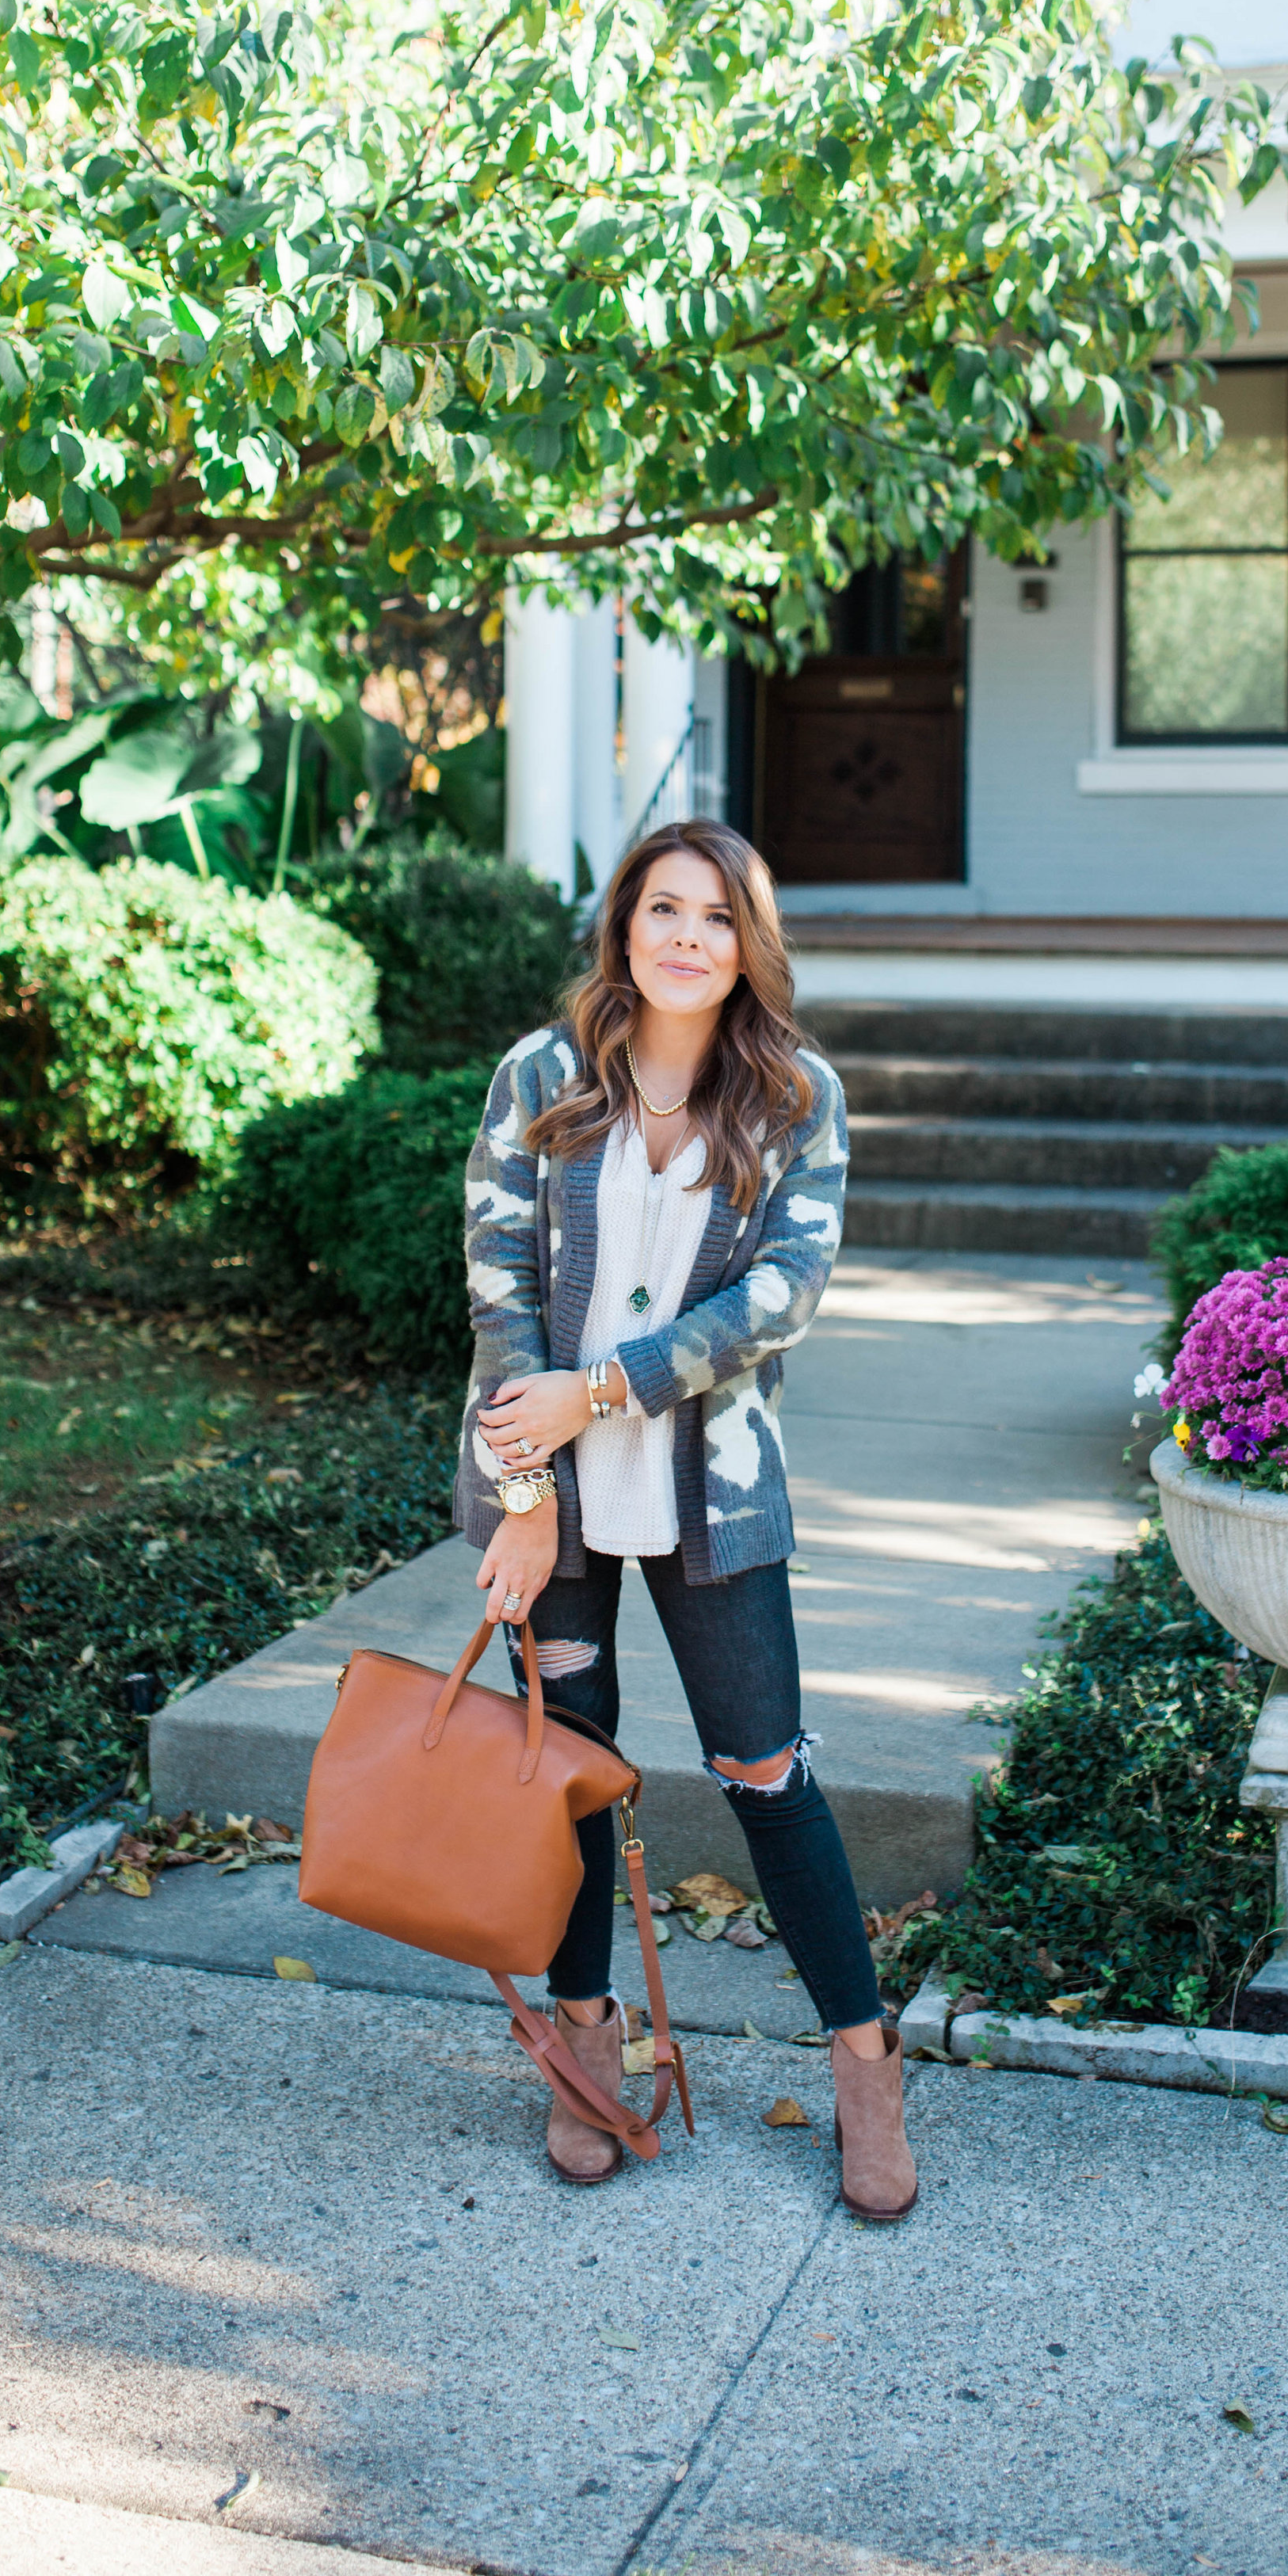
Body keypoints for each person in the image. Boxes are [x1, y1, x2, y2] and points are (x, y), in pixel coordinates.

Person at [455, 815, 918, 2217]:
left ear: (748, 945)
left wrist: (602, 1390)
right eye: (664, 909)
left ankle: (863, 2064)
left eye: (717, 919)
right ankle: (585, 2038)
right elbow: (497, 1295)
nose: (686, 939)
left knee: (766, 1774)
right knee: (577, 1776)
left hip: (708, 1491)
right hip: (556, 1501)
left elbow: (779, 1301)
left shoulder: (795, 1099)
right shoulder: (543, 1076)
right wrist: (525, 1500)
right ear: (625, 925)